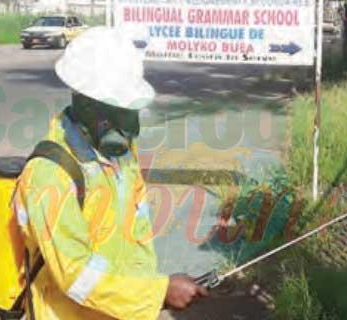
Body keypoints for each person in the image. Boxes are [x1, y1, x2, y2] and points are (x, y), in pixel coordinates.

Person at [12, 27, 208, 320]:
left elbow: (137, 234)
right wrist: (158, 293)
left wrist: (149, 291)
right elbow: (75, 275)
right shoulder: (50, 174)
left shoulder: (121, 154)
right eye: (118, 109)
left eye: (132, 109)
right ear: (85, 103)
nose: (130, 126)